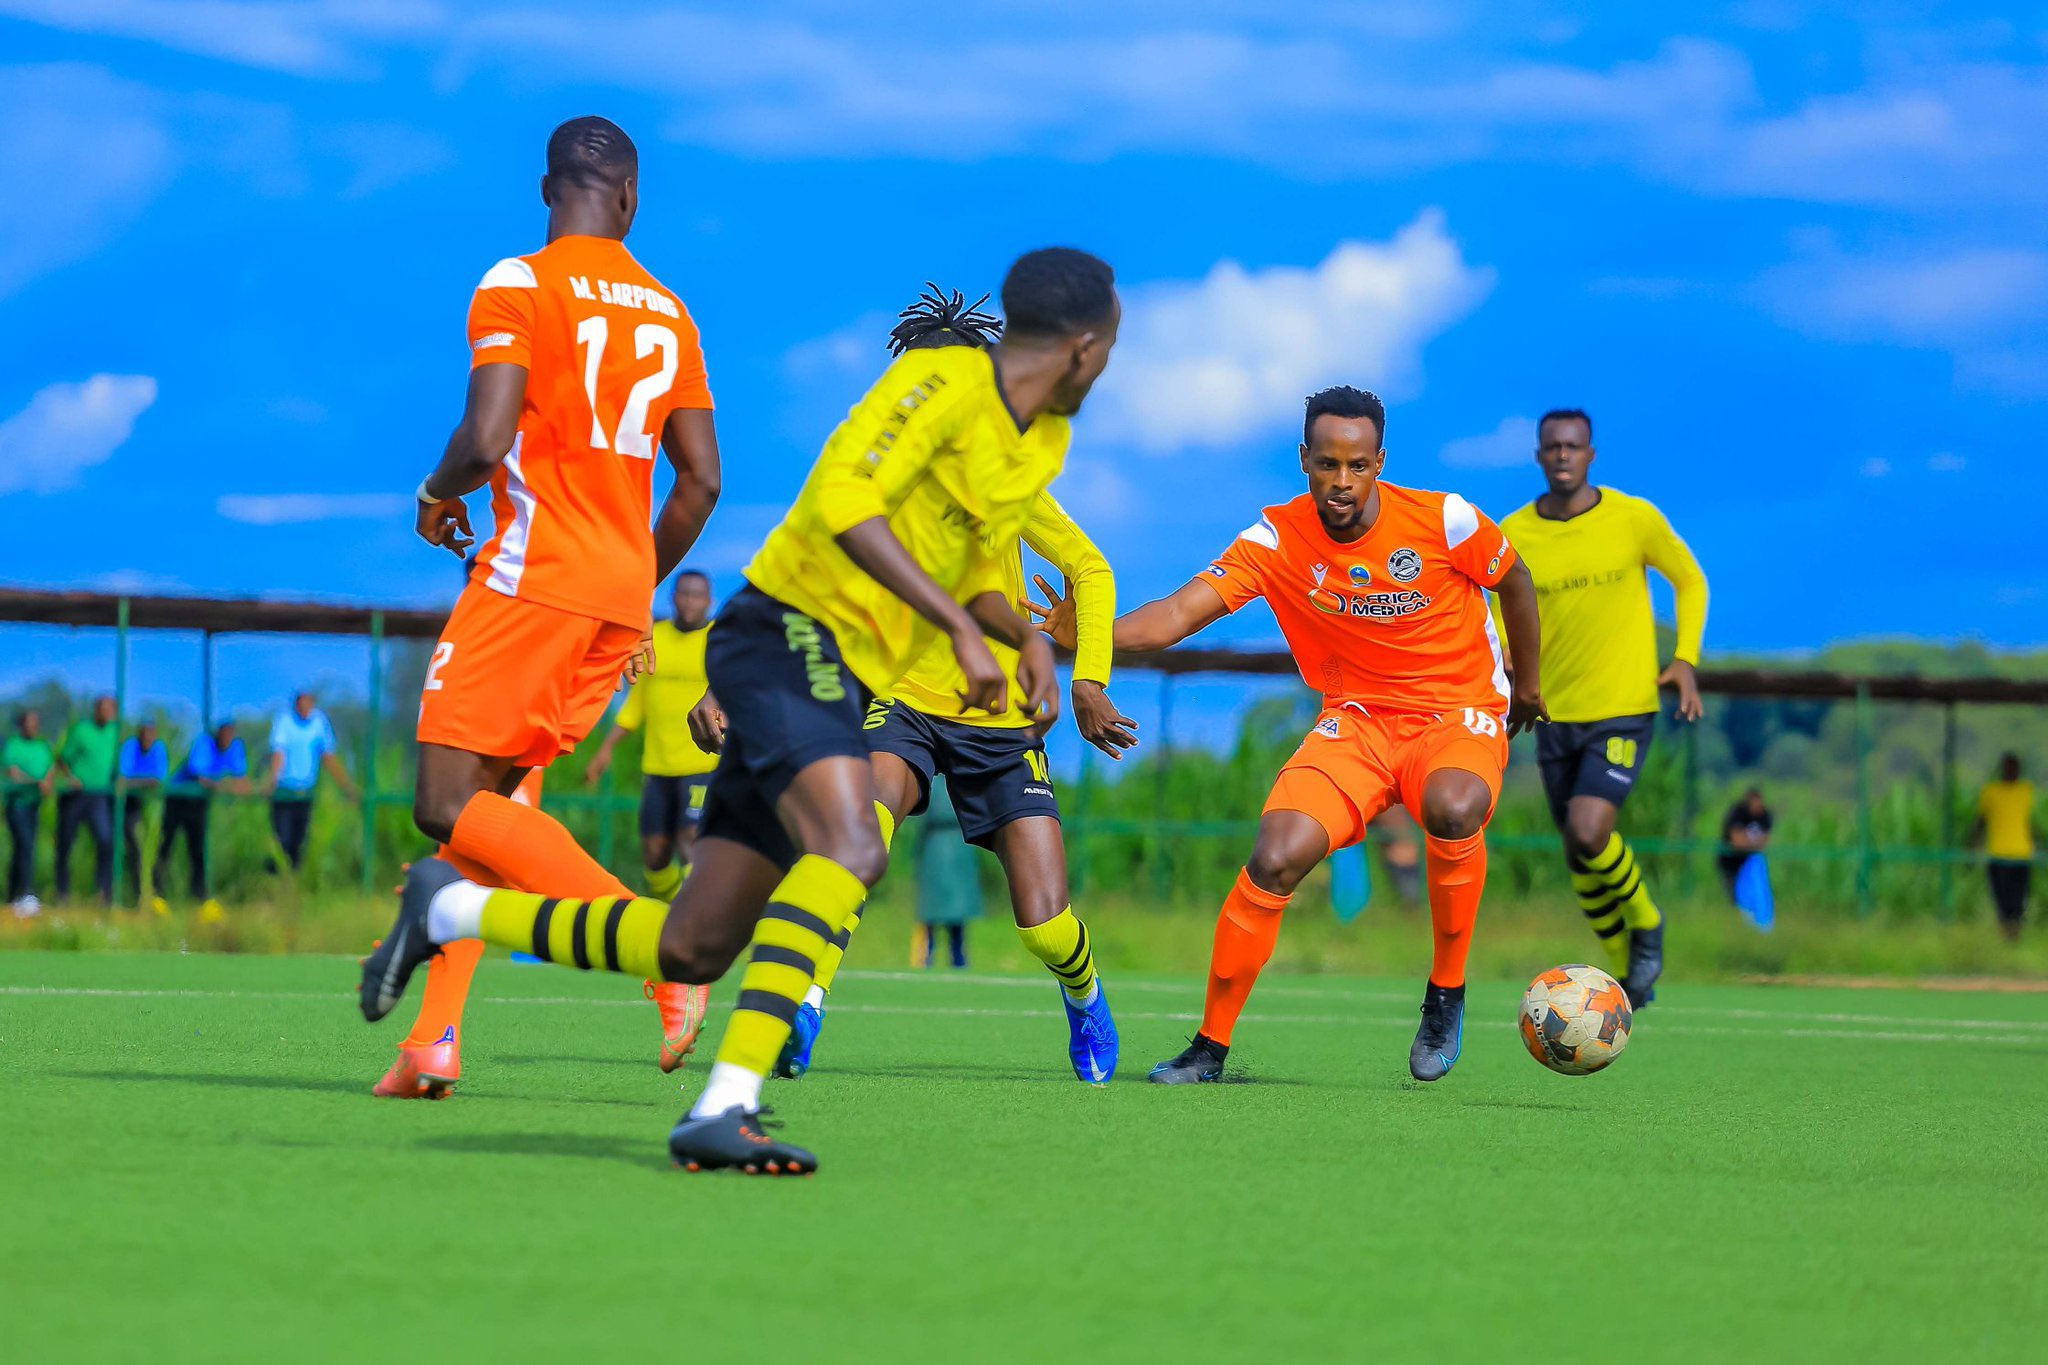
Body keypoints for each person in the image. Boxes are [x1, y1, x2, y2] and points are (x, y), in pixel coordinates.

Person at [361, 245, 1119, 1173]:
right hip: (791, 646)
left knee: (693, 943)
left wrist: (1021, 636)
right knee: (852, 845)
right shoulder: (916, 411)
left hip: (821, 664)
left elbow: (973, 570)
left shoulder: (1015, 451)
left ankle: (456, 910)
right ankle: (754, 1068)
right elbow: (841, 513)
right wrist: (954, 629)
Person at [1036, 385, 1543, 1085]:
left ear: (1379, 462)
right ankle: (1208, 1047)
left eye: (1358, 465)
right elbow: (1175, 616)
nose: (1342, 481)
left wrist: (1529, 685)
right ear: (1305, 459)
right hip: (1356, 721)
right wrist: (1088, 635)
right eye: (1327, 464)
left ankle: (1446, 993)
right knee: (1275, 855)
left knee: (1453, 808)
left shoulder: (1445, 519)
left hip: (1456, 713)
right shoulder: (1274, 540)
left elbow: (1516, 580)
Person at [375, 115, 723, 1098]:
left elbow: (486, 439)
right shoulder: (671, 311)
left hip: (532, 581)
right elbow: (700, 482)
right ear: (631, 198)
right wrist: (631, 581)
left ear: (546, 190)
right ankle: (431, 1043)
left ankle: (664, 950)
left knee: (445, 802)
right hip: (614, 596)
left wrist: (434, 492)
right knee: (489, 813)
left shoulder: (518, 282)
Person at [745, 284, 1127, 1084]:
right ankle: (803, 1007)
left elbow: (1090, 569)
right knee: (855, 841)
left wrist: (1087, 679)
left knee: (1043, 925)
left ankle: (1084, 994)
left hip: (1000, 718)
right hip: (902, 701)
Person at [1498, 408, 1707, 1007]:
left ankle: (1647, 923)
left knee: (1590, 831)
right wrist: (1507, 659)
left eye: (1574, 446)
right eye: (1552, 447)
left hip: (1622, 706)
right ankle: (1622, 976)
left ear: (1591, 454)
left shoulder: (1632, 518)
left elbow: (1689, 580)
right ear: (1539, 456)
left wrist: (1685, 658)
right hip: (1550, 712)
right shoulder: (1514, 532)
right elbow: (1494, 603)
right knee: (1575, 851)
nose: (1563, 455)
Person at [585, 568, 720, 904]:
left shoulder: (720, 639)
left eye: (697, 595)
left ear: (709, 601)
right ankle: (667, 913)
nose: (690, 602)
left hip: (703, 762)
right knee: (655, 854)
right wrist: (605, 750)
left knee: (691, 838)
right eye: (684, 594)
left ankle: (697, 917)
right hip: (658, 764)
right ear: (673, 598)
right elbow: (636, 705)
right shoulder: (654, 638)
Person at [156, 720, 247, 919]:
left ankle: (199, 898)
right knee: (166, 846)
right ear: (217, 733)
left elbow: (241, 779)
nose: (227, 738)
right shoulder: (204, 743)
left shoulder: (235, 747)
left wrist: (240, 788)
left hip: (198, 804)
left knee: (198, 850)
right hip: (178, 798)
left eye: (230, 734)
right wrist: (224, 787)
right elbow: (200, 777)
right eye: (224, 733)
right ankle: (156, 895)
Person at [265, 693, 355, 872]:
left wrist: (345, 785)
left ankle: (294, 878)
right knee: (283, 838)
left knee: (300, 840)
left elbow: (327, 755)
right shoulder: (284, 721)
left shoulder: (319, 722)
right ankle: (275, 876)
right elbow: (278, 753)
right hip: (284, 791)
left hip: (305, 792)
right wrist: (272, 780)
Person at [54, 695, 119, 904]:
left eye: (110, 710)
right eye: (103, 709)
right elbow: (62, 758)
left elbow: (115, 764)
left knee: (105, 840)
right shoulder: (81, 730)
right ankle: (62, 893)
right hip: (75, 795)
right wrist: (71, 777)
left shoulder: (114, 733)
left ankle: (103, 893)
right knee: (65, 843)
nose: (107, 713)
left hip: (99, 796)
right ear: (96, 710)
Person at [1970, 754, 2039, 942]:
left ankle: (2014, 936)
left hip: (2021, 854)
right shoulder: (1990, 792)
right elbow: (1981, 821)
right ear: (2002, 769)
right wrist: (1972, 843)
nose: (2012, 771)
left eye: (2015, 767)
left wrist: (2038, 841)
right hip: (1998, 855)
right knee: (2002, 900)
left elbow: (2027, 822)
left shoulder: (2025, 790)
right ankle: (2005, 936)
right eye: (2009, 767)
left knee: (2018, 900)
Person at [912, 779, 980, 969]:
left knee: (932, 915)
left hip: (936, 856)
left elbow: (922, 818)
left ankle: (926, 959)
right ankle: (959, 960)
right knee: (954, 916)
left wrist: (917, 853)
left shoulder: (931, 783)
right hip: (958, 854)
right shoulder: (962, 782)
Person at [3, 709, 54, 915]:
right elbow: (13, 773)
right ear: (21, 725)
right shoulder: (13, 745)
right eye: (28, 723)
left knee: (24, 848)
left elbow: (50, 768)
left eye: (35, 723)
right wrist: (36, 782)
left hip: (34, 805)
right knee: (24, 844)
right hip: (16, 804)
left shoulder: (42, 746)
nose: (32, 726)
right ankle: (26, 893)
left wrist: (47, 781)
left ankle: (13, 895)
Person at [116, 721, 169, 902]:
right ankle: (137, 894)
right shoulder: (130, 747)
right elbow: (123, 779)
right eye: (144, 734)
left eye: (151, 734)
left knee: (154, 849)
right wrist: (145, 782)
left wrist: (134, 782)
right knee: (132, 847)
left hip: (151, 806)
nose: (147, 739)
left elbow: (158, 780)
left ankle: (154, 894)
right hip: (128, 805)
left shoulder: (159, 749)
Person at [1718, 788, 1773, 897]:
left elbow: (1765, 842)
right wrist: (1754, 845)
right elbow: (1738, 842)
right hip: (1731, 861)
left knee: (1753, 894)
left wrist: (1748, 844)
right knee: (1733, 894)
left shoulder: (1764, 815)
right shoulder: (1737, 813)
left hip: (1750, 863)